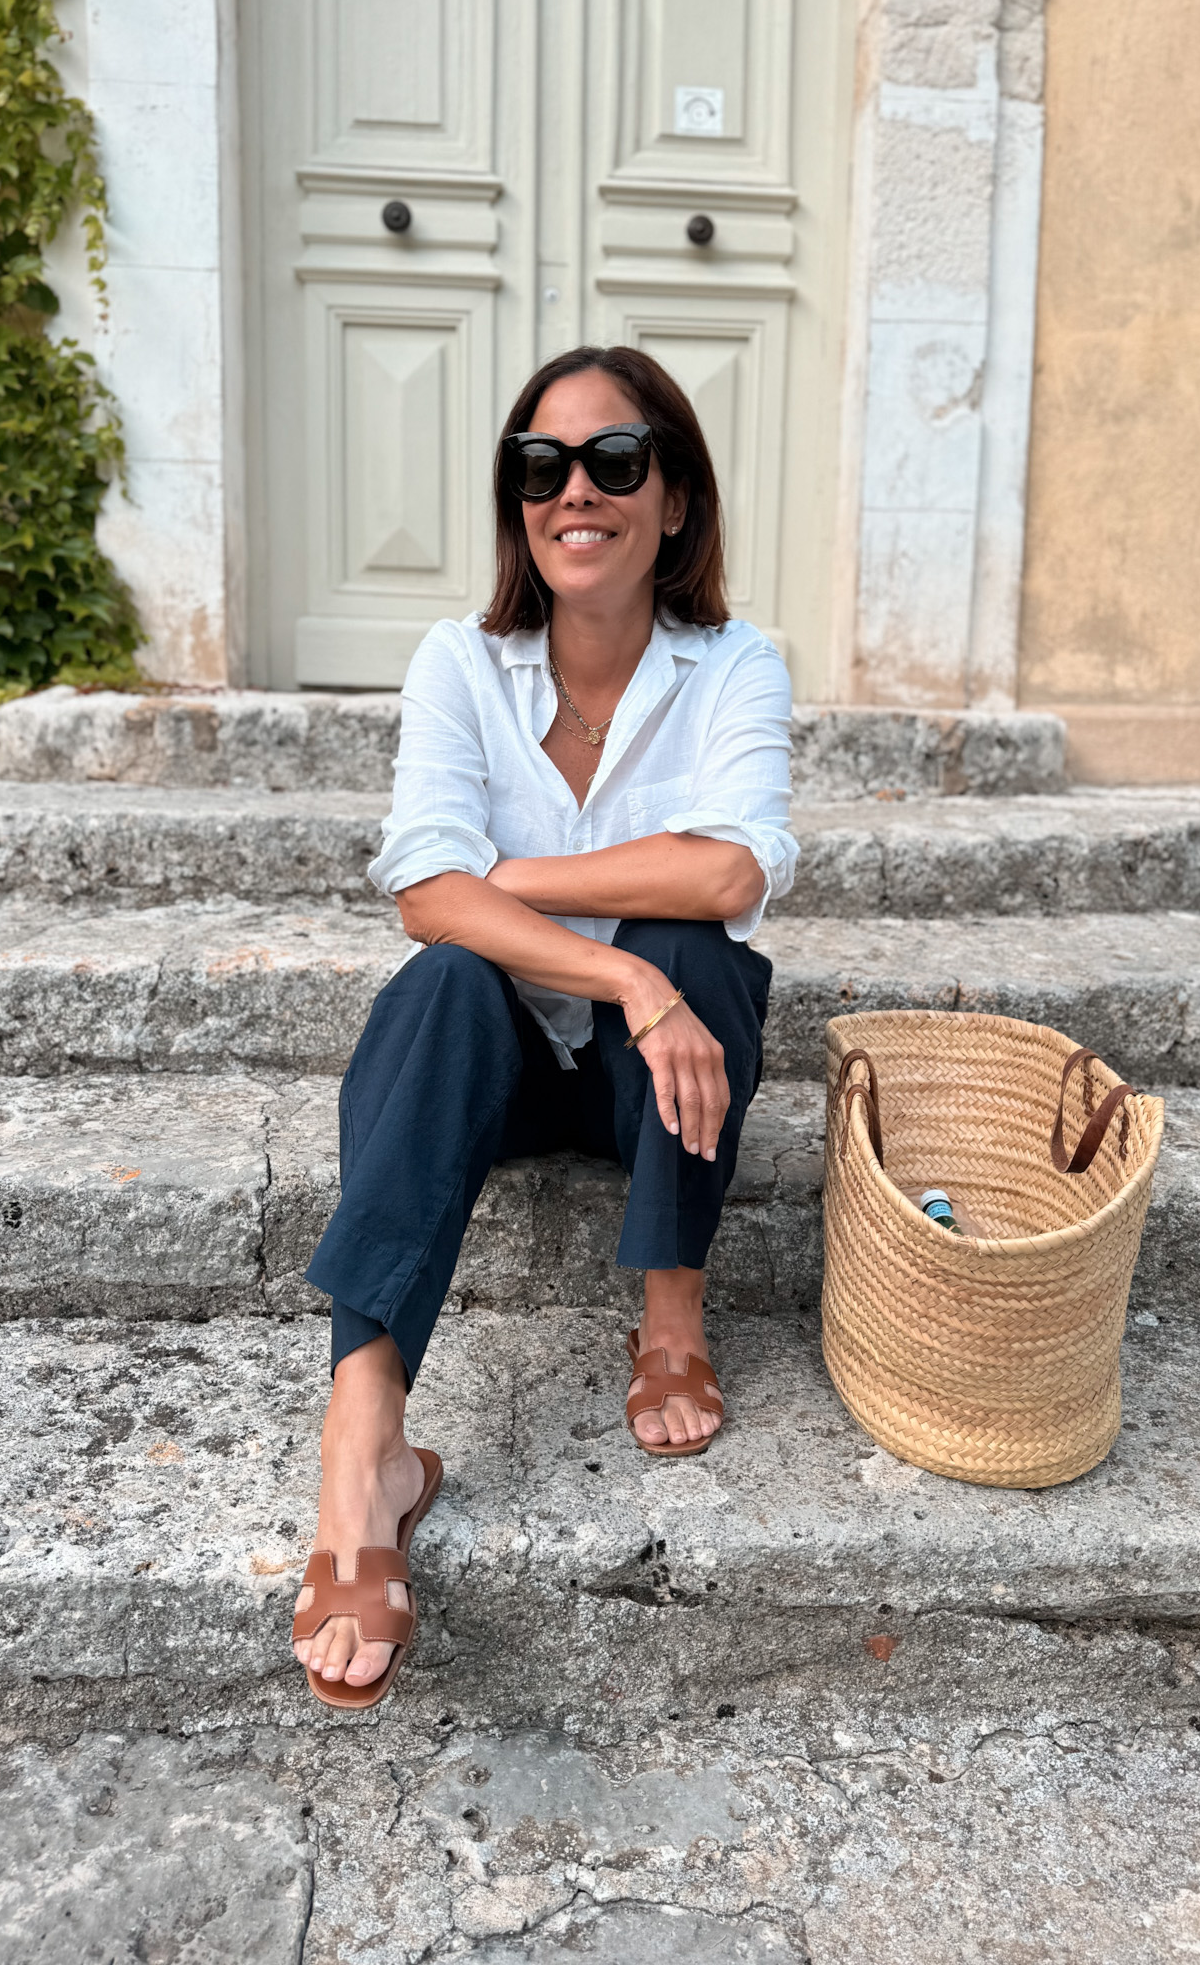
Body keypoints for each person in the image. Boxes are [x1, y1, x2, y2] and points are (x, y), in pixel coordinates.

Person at [290, 344, 798, 1709]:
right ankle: (367, 1442)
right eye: (542, 465)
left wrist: (506, 885)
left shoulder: (736, 665)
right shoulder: (463, 662)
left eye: (615, 461)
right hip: (504, 1069)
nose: (577, 490)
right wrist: (616, 971)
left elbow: (732, 870)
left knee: (701, 949)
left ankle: (673, 1316)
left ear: (673, 499)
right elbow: (419, 902)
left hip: (653, 1084)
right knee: (450, 982)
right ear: (519, 502)